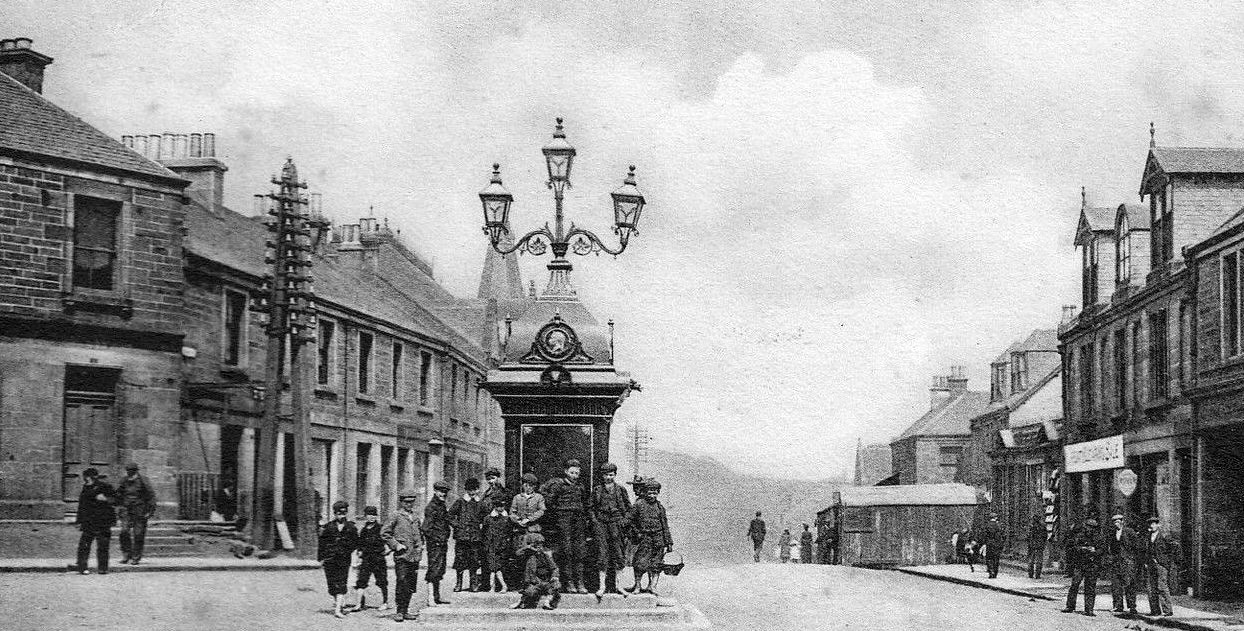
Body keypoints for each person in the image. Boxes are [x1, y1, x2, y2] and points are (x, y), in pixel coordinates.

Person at [539, 458, 590, 593]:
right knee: (567, 551)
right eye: (572, 472)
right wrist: (559, 511)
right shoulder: (559, 485)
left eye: (577, 473)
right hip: (564, 520)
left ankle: (580, 582)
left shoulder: (581, 486)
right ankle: (569, 583)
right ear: (566, 472)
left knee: (579, 551)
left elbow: (584, 503)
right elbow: (549, 500)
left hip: (578, 520)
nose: (574, 475)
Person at [590, 462, 632, 599]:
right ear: (602, 476)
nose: (609, 477)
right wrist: (595, 522)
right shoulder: (597, 490)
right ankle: (602, 586)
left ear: (615, 475)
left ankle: (619, 586)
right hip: (601, 524)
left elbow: (628, 508)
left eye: (611, 475)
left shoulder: (621, 490)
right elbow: (590, 508)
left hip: (616, 524)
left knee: (618, 554)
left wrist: (624, 521)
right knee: (602, 554)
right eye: (606, 475)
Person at [382, 488, 424, 622]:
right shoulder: (396, 516)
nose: (409, 505)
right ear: (401, 502)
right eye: (406, 502)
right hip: (402, 556)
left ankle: (406, 610)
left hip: (414, 556)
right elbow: (385, 533)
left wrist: (421, 546)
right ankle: (399, 611)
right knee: (402, 582)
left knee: (411, 584)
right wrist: (396, 545)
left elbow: (419, 534)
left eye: (411, 502)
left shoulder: (416, 517)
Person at [626, 478, 673, 595]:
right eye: (649, 492)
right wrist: (637, 533)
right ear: (645, 492)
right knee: (640, 563)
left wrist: (669, 542)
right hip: (645, 538)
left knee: (656, 564)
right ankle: (637, 585)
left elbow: (665, 525)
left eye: (655, 493)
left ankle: (652, 586)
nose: (652, 495)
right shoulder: (638, 505)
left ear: (658, 493)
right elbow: (629, 521)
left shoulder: (660, 507)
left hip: (658, 539)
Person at [318, 500, 359, 619]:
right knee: (331, 584)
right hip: (330, 559)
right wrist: (321, 558)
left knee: (341, 582)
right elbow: (322, 543)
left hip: (343, 559)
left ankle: (338, 610)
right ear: (335, 514)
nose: (341, 516)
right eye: (339, 514)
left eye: (343, 513)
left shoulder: (351, 527)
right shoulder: (328, 527)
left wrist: (348, 551)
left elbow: (356, 542)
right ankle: (338, 603)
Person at [74, 468, 117, 575]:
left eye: (87, 477)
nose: (85, 480)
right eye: (85, 478)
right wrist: (79, 521)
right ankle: (82, 567)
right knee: (84, 545)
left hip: (103, 522)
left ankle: (103, 568)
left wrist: (106, 499)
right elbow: (82, 506)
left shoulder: (105, 487)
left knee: (103, 546)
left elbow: (117, 499)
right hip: (89, 522)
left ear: (92, 477)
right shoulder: (85, 488)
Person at [349, 506, 390, 613]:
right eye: (369, 515)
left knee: (382, 581)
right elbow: (360, 545)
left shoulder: (381, 528)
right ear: (366, 516)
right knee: (361, 580)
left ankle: (385, 602)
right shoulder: (363, 530)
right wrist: (359, 553)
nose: (372, 517)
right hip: (366, 559)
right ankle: (359, 604)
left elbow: (389, 540)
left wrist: (388, 551)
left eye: (374, 515)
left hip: (378, 559)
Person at [448, 477, 485, 592]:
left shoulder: (480, 503)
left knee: (474, 560)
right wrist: (457, 525)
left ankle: (473, 584)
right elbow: (449, 515)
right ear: (466, 490)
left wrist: (481, 526)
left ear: (478, 490)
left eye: (474, 489)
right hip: (462, 537)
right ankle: (458, 583)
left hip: (475, 538)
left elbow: (485, 517)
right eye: (470, 490)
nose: (472, 492)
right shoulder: (460, 501)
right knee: (460, 560)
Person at [115, 463, 156, 566]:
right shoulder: (124, 480)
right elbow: (118, 494)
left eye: (132, 471)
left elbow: (151, 496)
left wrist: (149, 512)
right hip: (126, 510)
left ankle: (136, 557)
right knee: (124, 532)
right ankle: (126, 554)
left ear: (136, 471)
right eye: (128, 471)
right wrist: (119, 507)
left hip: (139, 510)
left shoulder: (143, 481)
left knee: (138, 534)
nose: (130, 473)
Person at [1062, 517, 1102, 616]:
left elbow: (1102, 550)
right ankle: (1070, 606)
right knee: (1074, 585)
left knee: (1090, 587)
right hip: (1080, 564)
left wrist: (1094, 551)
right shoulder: (1080, 536)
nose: (1090, 529)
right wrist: (1083, 549)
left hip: (1092, 565)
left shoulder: (1099, 538)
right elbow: (1074, 548)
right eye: (1088, 527)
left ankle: (1089, 609)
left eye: (1092, 527)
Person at [422, 480, 452, 606]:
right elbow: (426, 528)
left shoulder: (441, 505)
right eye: (441, 492)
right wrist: (436, 539)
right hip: (435, 544)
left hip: (442, 543)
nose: (443, 494)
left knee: (440, 570)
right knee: (433, 569)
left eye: (445, 492)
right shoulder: (432, 507)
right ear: (435, 491)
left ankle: (436, 596)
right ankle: (430, 599)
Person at [1141, 516, 1178, 617]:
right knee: (1151, 588)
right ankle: (1155, 611)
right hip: (1150, 565)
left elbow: (1174, 548)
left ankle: (1167, 611)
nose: (1151, 526)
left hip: (1161, 565)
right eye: (1150, 524)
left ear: (1158, 525)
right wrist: (1146, 562)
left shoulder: (1164, 536)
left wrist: (1167, 561)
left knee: (1162, 587)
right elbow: (1146, 550)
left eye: (1153, 524)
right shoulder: (1148, 536)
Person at [513, 533, 561, 610]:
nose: (539, 547)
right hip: (534, 583)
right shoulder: (528, 556)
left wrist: (554, 576)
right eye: (536, 544)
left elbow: (554, 568)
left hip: (546, 582)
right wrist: (528, 548)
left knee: (555, 585)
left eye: (541, 544)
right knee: (530, 592)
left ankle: (547, 602)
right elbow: (517, 553)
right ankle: (522, 602)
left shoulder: (545, 556)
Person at [1105, 513, 1139, 615]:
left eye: (1118, 522)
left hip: (1128, 562)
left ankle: (1132, 606)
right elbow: (1109, 547)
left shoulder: (1129, 532)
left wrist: (1133, 560)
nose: (1116, 524)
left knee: (1130, 584)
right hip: (1116, 562)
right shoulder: (1112, 533)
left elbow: (1136, 547)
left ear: (1122, 522)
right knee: (1116, 585)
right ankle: (1118, 605)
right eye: (1114, 522)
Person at [482, 497, 511, 592]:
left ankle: (499, 586)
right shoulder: (488, 518)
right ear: (495, 507)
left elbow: (508, 532)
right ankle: (496, 586)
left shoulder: (506, 519)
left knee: (496, 567)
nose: (501, 508)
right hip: (490, 546)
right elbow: (484, 531)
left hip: (501, 546)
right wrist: (486, 544)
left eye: (502, 506)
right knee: (493, 568)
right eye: (499, 506)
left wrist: (505, 543)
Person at [982, 512, 1004, 579]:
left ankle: (991, 572)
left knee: (989, 558)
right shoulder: (999, 526)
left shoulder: (987, 526)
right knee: (996, 559)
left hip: (989, 544)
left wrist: (984, 543)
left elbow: (984, 536)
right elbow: (1002, 536)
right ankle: (995, 573)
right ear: (996, 518)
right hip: (997, 544)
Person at [1026, 514, 1047, 579]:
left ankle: (1030, 574)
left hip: (1032, 545)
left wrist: (1029, 543)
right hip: (1040, 545)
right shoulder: (1043, 526)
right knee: (1039, 560)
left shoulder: (1031, 526)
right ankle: (1038, 575)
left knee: (1031, 560)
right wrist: (1043, 543)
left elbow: (1028, 536)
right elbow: (1045, 536)